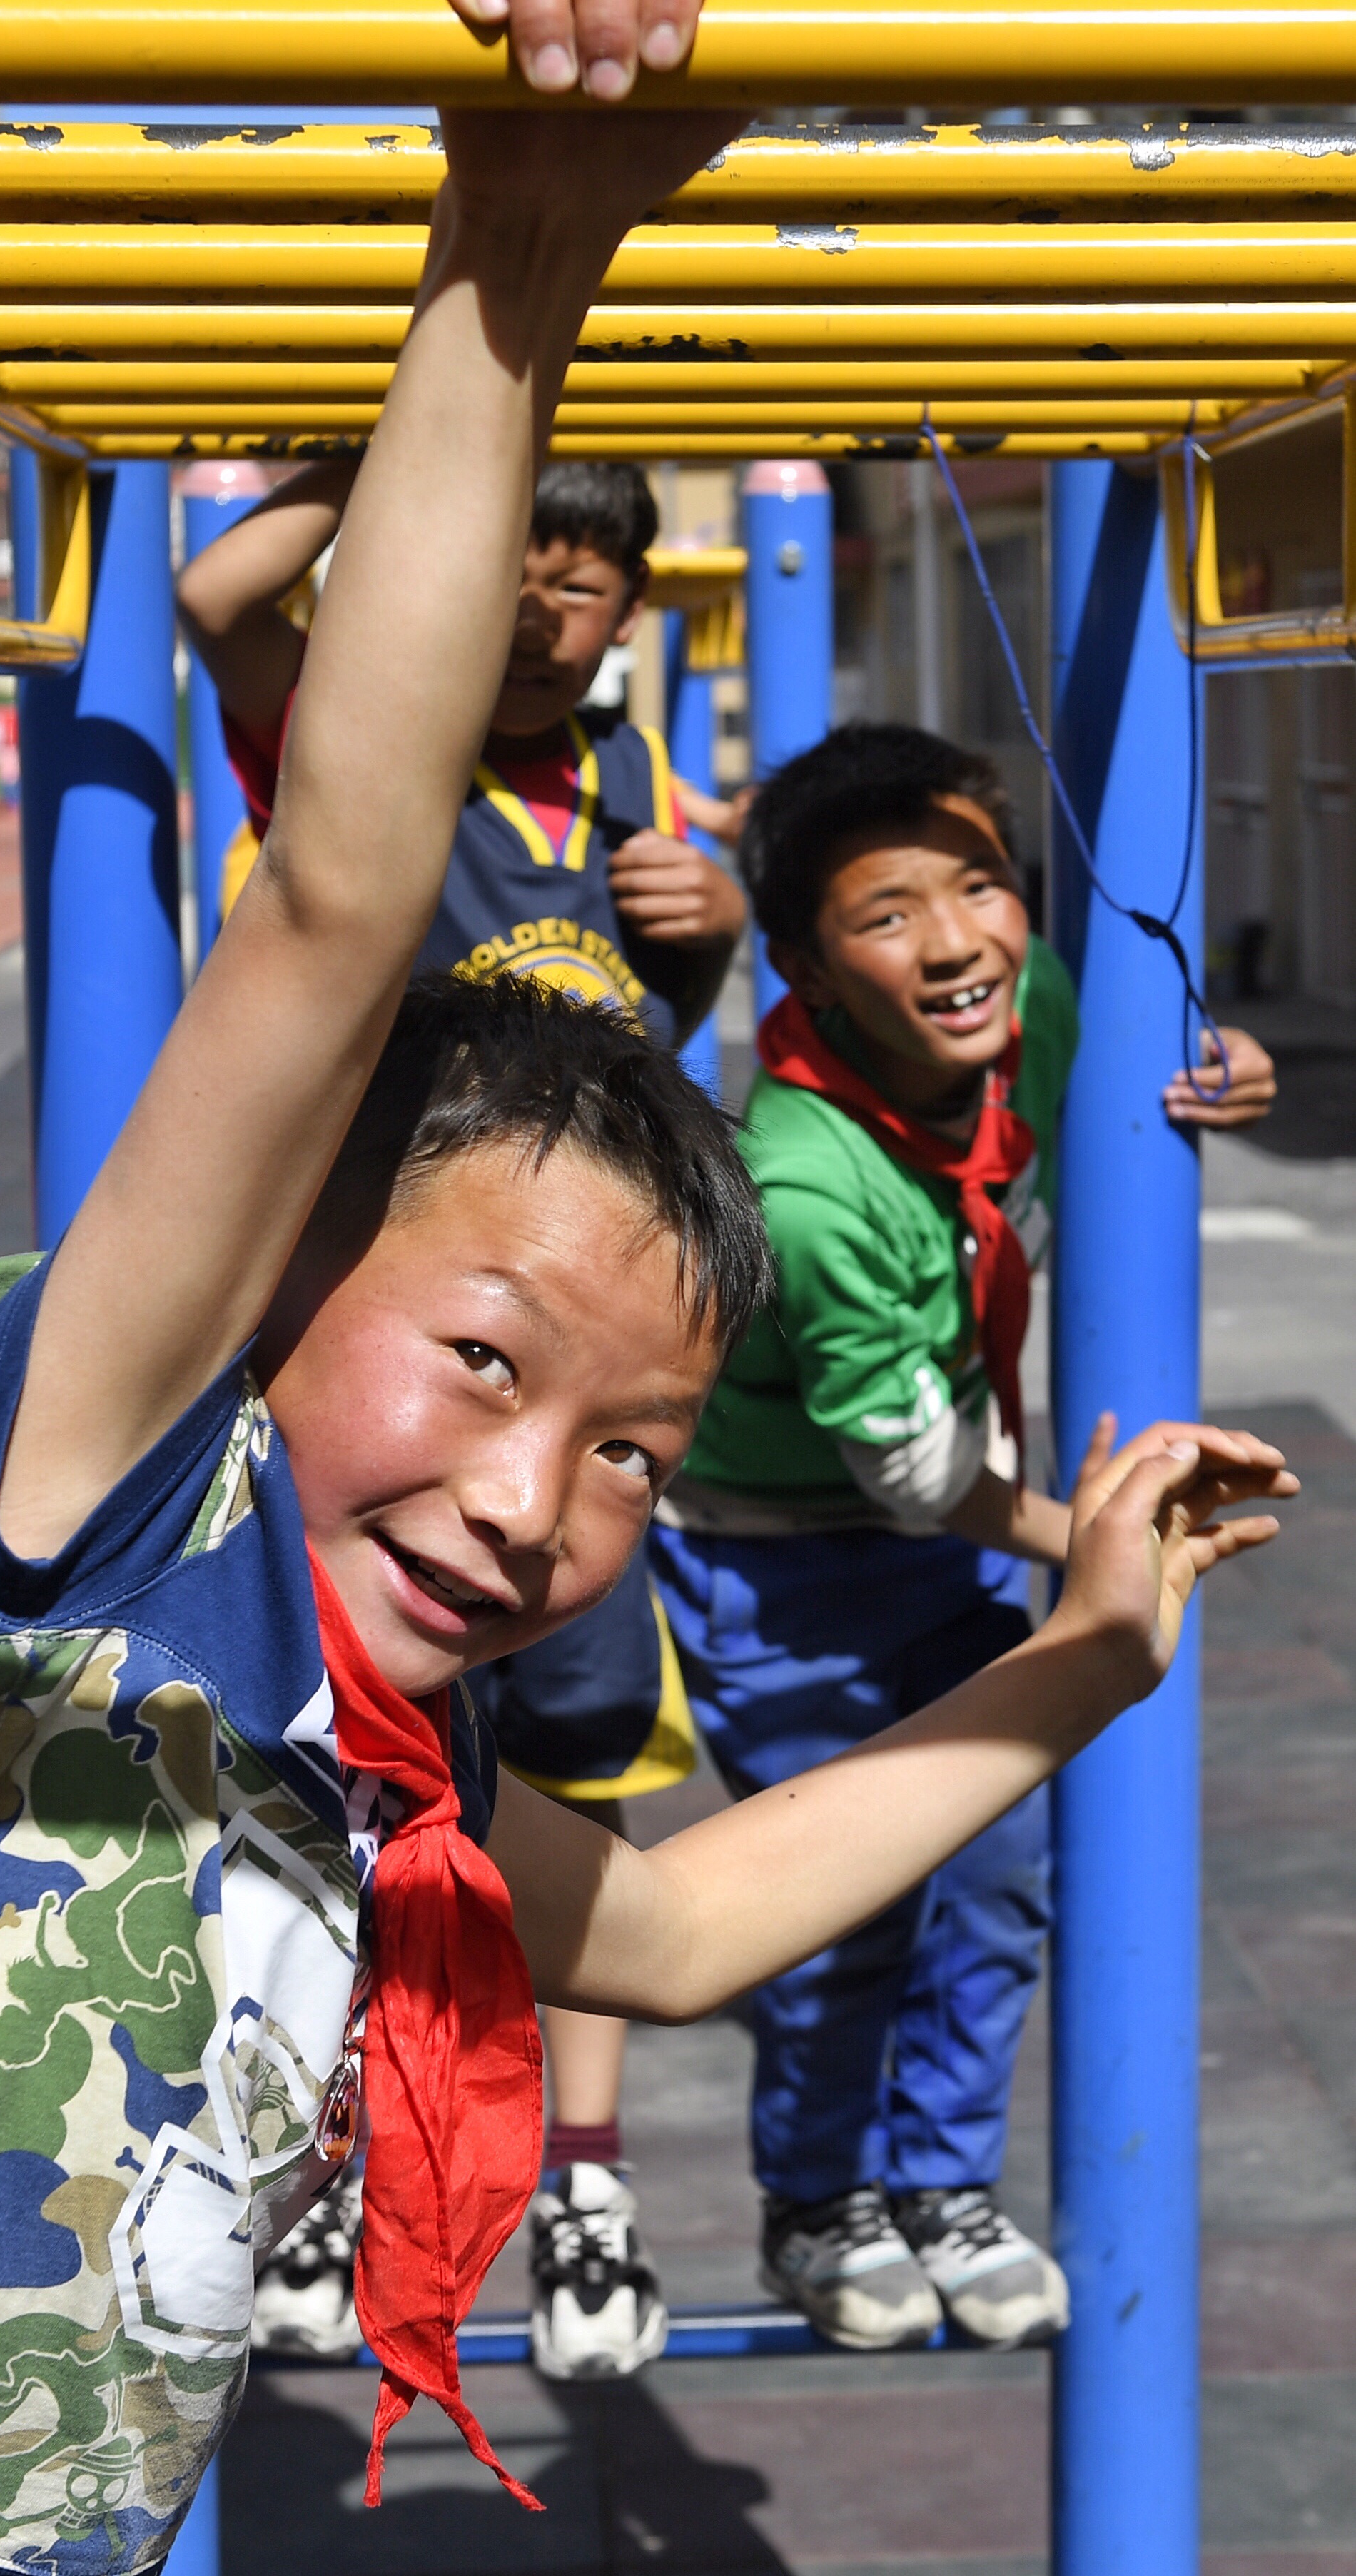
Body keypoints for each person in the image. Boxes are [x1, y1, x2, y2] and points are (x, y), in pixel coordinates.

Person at [0, 98, 1291, 2576]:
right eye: (486, 1361)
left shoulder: (334, 1743)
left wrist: (1082, 1652)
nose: (543, 1498)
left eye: (637, 1444)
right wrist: (512, 255)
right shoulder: (73, 1523)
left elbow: (670, 1923)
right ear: (268, 1285)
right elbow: (336, 895)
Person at [179, 453, 746, 2378]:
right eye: (504, 562)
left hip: (567, 1365)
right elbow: (221, 615)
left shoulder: (648, 797)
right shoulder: (381, 754)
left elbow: (679, 1074)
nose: (533, 607)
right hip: (412, 1347)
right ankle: (326, 2158)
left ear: (619, 609)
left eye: (576, 580)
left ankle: (581, 2185)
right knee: (330, 1788)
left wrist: (717, 923)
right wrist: (385, 460)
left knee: (574, 1787)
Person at [649, 721, 1277, 2356]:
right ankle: (814, 2202)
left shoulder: (1036, 1003)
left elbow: (1132, 1076)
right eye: (884, 914)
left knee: (998, 1874)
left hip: (940, 1536)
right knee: (840, 1906)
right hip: (781, 1559)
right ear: (798, 962)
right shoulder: (799, 1178)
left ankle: (938, 2182)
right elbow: (911, 1469)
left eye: (979, 886)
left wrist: (1212, 1063)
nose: (951, 943)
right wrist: (1093, 1539)